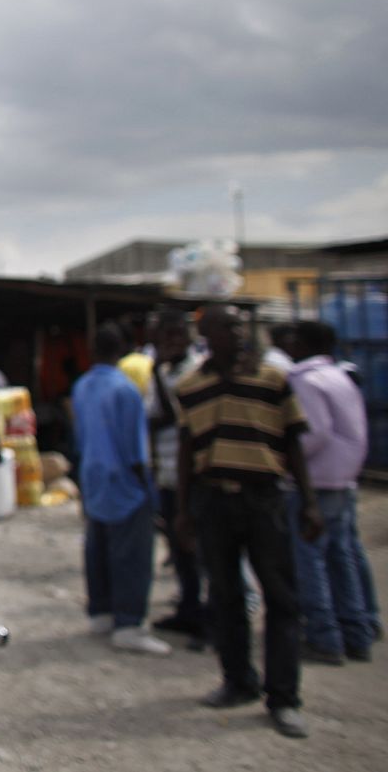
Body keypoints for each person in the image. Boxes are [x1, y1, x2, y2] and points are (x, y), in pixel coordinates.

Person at [176, 305, 322, 739]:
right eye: (229, 325)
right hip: (214, 502)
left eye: (242, 324)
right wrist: (183, 512)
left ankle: (284, 698)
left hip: (265, 501)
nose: (239, 332)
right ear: (207, 334)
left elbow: (292, 443)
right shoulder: (190, 388)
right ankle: (237, 680)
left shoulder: (273, 380)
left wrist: (310, 502)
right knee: (225, 597)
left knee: (281, 600)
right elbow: (187, 453)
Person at [73, 323, 171, 656]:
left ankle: (101, 611)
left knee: (98, 549)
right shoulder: (126, 390)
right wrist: (149, 489)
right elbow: (135, 450)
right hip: (124, 482)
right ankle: (129, 623)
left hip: (93, 477)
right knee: (131, 554)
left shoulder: (82, 386)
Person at [285, 320, 372, 664]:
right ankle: (356, 631)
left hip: (315, 481)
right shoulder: (338, 375)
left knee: (311, 561)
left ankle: (324, 636)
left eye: (291, 338)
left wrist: (286, 458)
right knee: (342, 556)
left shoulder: (305, 379)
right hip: (343, 478)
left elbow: (313, 433)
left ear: (304, 343)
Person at [145, 309, 208, 648]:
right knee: (179, 548)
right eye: (162, 337)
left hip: (192, 475)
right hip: (168, 472)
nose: (167, 343)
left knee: (199, 550)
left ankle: (211, 622)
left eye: (173, 336)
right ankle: (188, 609)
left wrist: (155, 372)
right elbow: (152, 416)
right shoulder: (165, 371)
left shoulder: (195, 371)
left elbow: (172, 416)